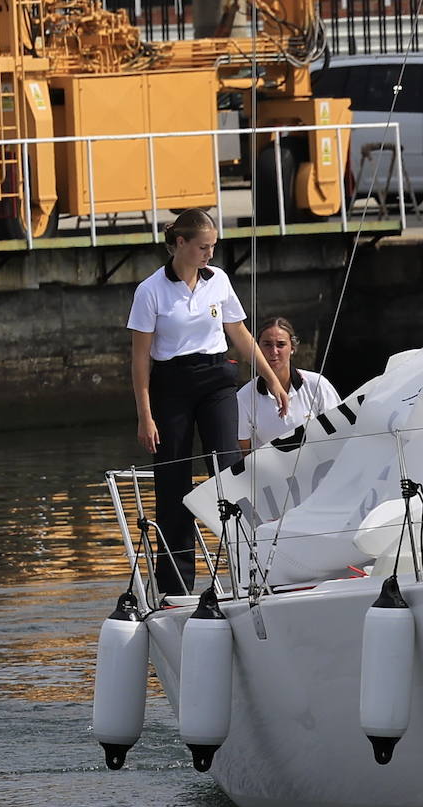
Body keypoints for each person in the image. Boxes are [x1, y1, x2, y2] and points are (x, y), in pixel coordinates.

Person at [127, 208, 288, 597]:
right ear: (180, 244)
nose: (209, 254)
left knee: (229, 470)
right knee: (174, 484)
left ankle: (247, 573)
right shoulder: (150, 290)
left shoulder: (219, 281)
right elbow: (139, 359)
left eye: (213, 247)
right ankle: (174, 587)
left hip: (217, 379)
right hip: (172, 386)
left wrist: (272, 380)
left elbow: (241, 334)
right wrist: (145, 415)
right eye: (203, 247)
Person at [236, 316, 341, 452]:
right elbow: (244, 452)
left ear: (292, 348)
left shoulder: (318, 385)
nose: (274, 352)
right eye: (267, 344)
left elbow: (339, 431)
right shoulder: (244, 397)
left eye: (281, 344)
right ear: (257, 349)